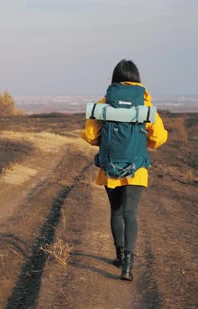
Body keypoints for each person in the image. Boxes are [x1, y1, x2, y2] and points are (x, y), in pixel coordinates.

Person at [81, 59, 168, 281]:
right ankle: (128, 266)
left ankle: (119, 256)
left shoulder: (103, 103)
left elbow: (91, 136)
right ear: (137, 78)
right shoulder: (145, 105)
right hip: (137, 169)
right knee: (131, 213)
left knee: (117, 213)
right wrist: (142, 142)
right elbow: (159, 137)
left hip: (110, 167)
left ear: (115, 79)